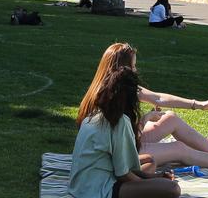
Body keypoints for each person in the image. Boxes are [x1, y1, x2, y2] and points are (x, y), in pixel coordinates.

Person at [80, 43, 208, 169]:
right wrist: (145, 120)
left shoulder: (114, 85)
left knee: (170, 118)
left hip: (125, 142)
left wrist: (200, 105)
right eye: (133, 66)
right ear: (121, 68)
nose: (136, 71)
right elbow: (118, 137)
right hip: (116, 155)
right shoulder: (111, 95)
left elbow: (159, 98)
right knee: (179, 149)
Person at [70, 65, 180, 198]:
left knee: (149, 160)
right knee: (172, 189)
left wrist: (153, 178)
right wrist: (149, 185)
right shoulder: (119, 121)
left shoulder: (93, 116)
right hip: (96, 190)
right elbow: (123, 174)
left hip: (80, 187)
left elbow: (123, 167)